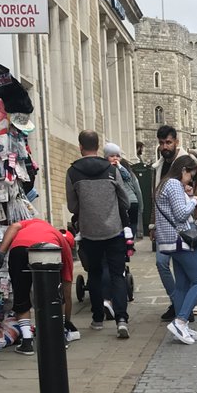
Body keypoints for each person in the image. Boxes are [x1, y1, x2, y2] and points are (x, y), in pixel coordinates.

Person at [66, 131, 132, 338]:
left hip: (89, 232)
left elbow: (72, 205)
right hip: (113, 230)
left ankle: (97, 319)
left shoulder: (73, 172)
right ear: (98, 146)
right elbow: (125, 200)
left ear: (80, 146)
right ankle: (121, 319)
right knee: (117, 275)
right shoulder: (111, 170)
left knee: (94, 274)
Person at [0, 218, 76, 354]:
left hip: (19, 249)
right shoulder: (63, 246)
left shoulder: (35, 222)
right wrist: (66, 322)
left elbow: (14, 226)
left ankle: (27, 341)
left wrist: (1, 252)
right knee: (55, 295)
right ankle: (59, 337)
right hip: (49, 253)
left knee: (21, 294)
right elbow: (66, 292)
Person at [154, 154, 197, 344]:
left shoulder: (164, 184)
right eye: (190, 175)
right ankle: (181, 321)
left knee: (182, 285)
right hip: (182, 241)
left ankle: (183, 325)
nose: (190, 180)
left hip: (171, 242)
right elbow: (180, 214)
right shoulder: (174, 184)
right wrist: (194, 201)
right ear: (183, 170)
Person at [152, 125, 191, 322]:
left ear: (176, 142)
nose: (164, 146)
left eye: (168, 142)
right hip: (165, 226)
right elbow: (156, 197)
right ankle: (177, 302)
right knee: (161, 263)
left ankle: (183, 307)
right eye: (161, 143)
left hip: (183, 225)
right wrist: (153, 225)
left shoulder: (187, 162)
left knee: (182, 269)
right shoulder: (158, 166)